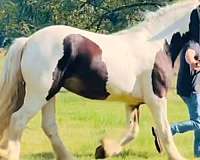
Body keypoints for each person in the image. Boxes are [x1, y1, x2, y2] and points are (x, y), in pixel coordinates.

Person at [152, 6, 200, 159]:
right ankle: (167, 130)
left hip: (192, 89)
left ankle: (198, 153)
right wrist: (193, 62)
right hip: (191, 91)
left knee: (198, 123)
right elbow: (189, 54)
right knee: (198, 123)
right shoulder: (194, 44)